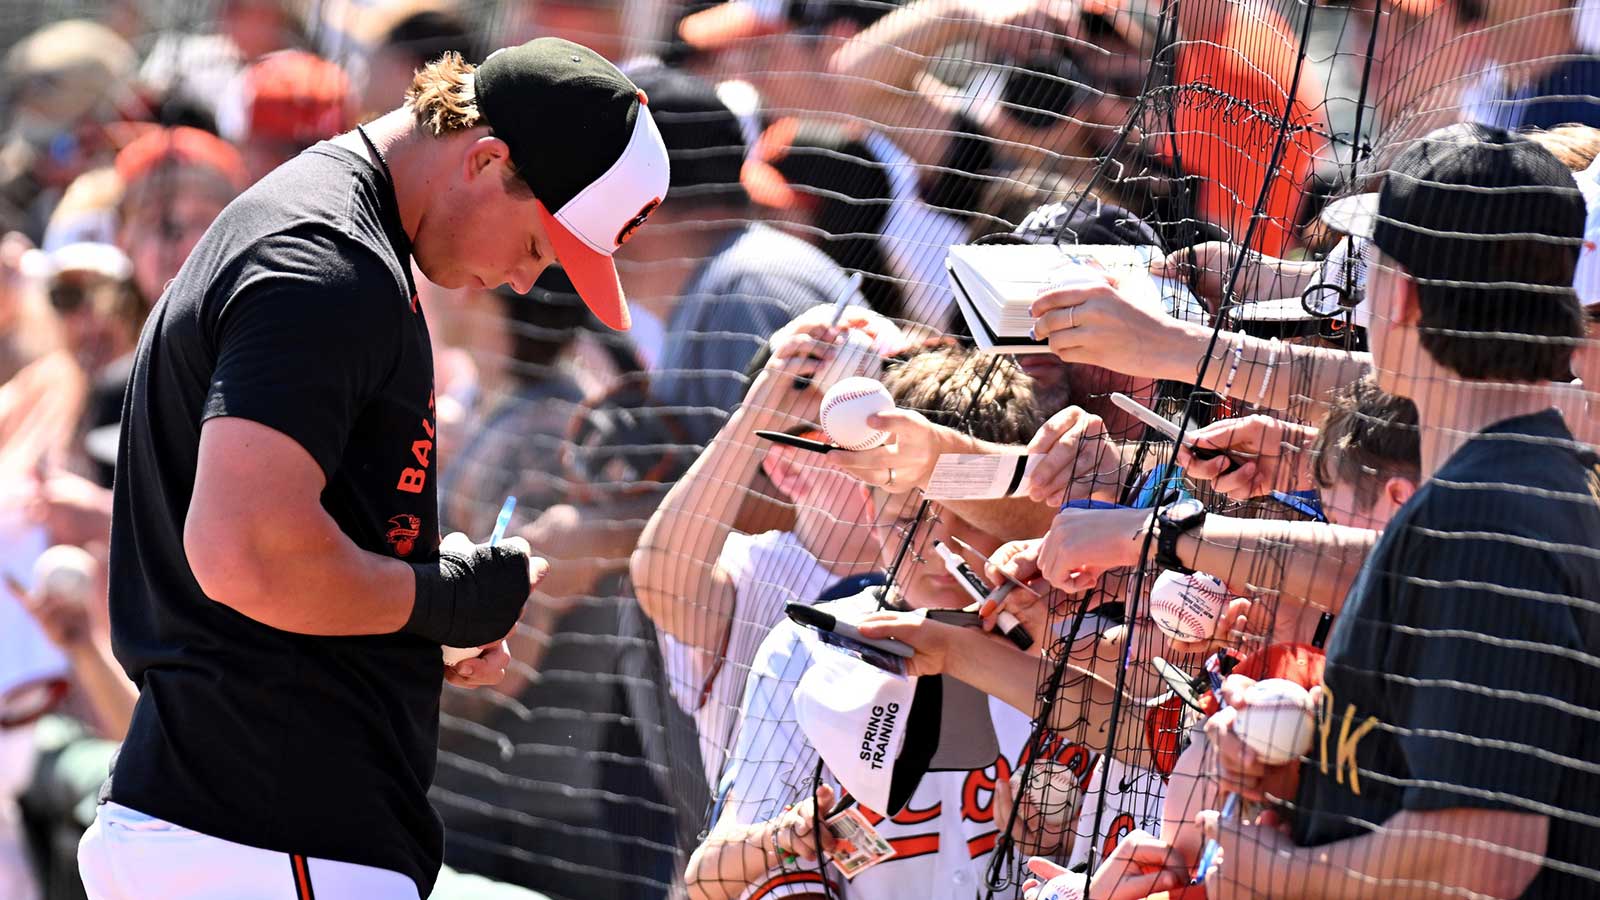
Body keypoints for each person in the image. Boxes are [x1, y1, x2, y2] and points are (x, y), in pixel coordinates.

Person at [76, 38, 670, 900]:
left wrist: (416, 620)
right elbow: (246, 552)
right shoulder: (328, 262)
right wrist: (438, 599)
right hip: (265, 834)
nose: (520, 279)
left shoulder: (332, 232)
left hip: (243, 827)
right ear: (487, 159)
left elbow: (282, 556)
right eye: (539, 245)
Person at [1204, 123, 1600, 899]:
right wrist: (1322, 745)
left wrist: (1288, 879)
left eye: (1374, 264)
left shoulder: (1487, 520)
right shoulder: (1521, 483)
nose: (1363, 291)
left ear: (1407, 296)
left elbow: (1482, 854)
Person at [632, 311, 896, 789]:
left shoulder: (951, 567)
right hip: (766, 858)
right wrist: (758, 413)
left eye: (892, 413)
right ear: (788, 471)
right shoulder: (754, 572)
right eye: (848, 427)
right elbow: (661, 578)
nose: (882, 443)